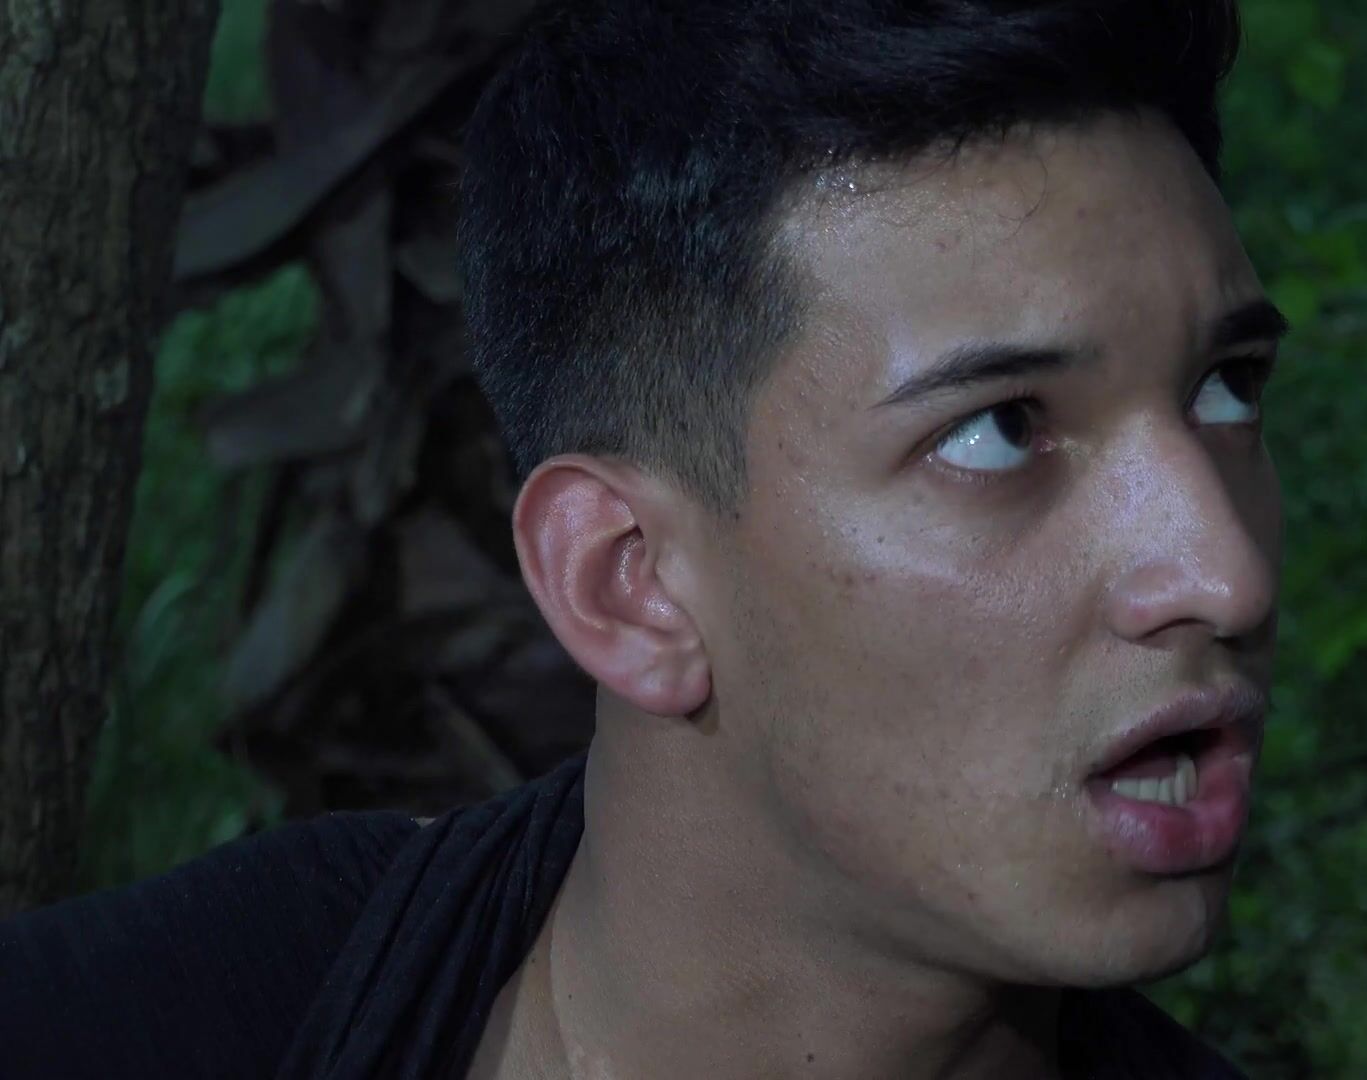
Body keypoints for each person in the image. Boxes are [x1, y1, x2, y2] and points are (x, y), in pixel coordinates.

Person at [0, 0, 1284, 1075]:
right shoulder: (138, 1024)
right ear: (629, 585)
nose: (1225, 573)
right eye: (1001, 430)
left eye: (1225, 390)